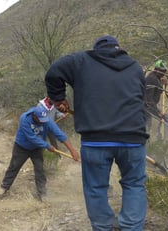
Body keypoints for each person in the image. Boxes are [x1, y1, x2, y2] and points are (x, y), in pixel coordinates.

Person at [45, 35, 149, 230]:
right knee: (134, 185)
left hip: (96, 141)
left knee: (96, 188)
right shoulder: (135, 67)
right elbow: (141, 101)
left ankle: (102, 227)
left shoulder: (82, 61)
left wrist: (58, 98)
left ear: (97, 49)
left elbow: (54, 71)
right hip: (133, 139)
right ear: (119, 49)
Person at [0, 106, 80, 201]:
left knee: (39, 169)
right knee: (14, 167)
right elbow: (31, 138)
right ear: (34, 116)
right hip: (21, 147)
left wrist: (72, 150)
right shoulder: (24, 119)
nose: (43, 122)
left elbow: (59, 133)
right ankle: (4, 187)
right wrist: (47, 146)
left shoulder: (46, 119)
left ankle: (42, 193)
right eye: (40, 120)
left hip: (36, 148)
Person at [145, 59, 168, 141]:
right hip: (145, 107)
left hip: (150, 106)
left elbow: (157, 92)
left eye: (165, 71)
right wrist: (157, 112)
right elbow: (149, 98)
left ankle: (160, 138)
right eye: (162, 71)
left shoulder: (157, 77)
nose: (163, 73)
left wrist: (164, 86)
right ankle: (161, 140)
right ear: (156, 69)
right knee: (147, 126)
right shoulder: (151, 79)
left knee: (164, 118)